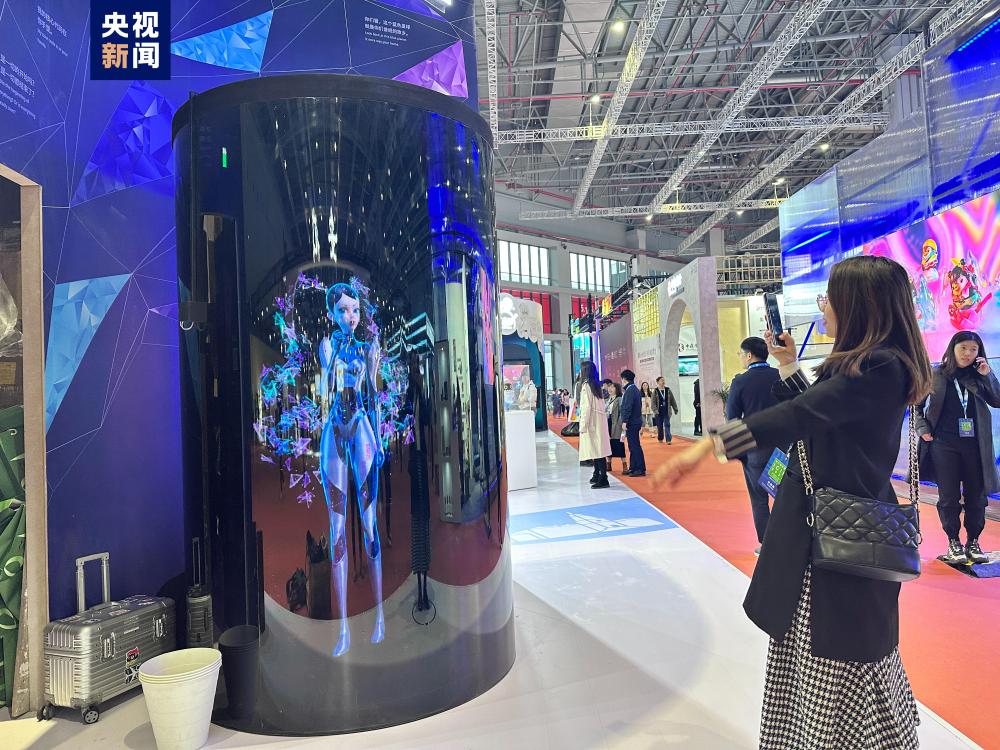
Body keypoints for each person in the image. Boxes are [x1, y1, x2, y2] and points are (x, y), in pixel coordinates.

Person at [651, 256, 931, 749]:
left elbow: (807, 413)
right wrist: (788, 366)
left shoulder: (880, 366)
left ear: (858, 305)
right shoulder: (871, 367)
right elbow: (825, 414)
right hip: (823, 540)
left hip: (838, 547)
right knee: (819, 658)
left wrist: (712, 444)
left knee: (838, 661)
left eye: (829, 297)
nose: (824, 306)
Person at [915, 330, 1000, 564]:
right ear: (952, 348)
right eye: (963, 348)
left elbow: (997, 400)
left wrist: (987, 375)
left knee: (977, 496)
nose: (967, 353)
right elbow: (916, 405)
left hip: (976, 446)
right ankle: (953, 541)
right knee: (949, 497)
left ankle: (973, 541)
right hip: (943, 445)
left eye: (973, 349)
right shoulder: (935, 374)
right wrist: (923, 428)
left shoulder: (980, 374)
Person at [726, 336, 781, 555]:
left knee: (759, 499)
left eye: (741, 354)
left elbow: (732, 418)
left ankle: (768, 545)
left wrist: (737, 452)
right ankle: (790, 540)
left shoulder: (740, 381)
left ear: (749, 355)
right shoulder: (779, 375)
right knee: (783, 495)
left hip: (754, 450)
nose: (740, 357)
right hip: (781, 447)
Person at [577, 361, 611, 488]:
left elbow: (586, 407)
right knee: (598, 449)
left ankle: (603, 478)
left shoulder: (586, 386)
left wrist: (583, 425)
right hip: (599, 420)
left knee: (596, 449)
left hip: (592, 421)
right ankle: (597, 474)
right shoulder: (596, 385)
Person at [620, 369, 646, 477]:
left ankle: (639, 468)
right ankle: (634, 467)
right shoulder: (634, 389)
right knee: (633, 445)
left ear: (624, 379)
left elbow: (628, 407)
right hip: (635, 421)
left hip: (632, 422)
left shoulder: (630, 390)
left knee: (634, 446)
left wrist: (625, 421)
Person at [606, 382, 628, 474]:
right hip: (608, 424)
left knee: (619, 445)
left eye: (612, 387)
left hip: (617, 425)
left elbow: (622, 413)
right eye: (609, 387)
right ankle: (608, 464)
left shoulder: (619, 399)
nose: (610, 389)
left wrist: (620, 424)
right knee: (608, 445)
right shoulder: (608, 400)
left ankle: (625, 466)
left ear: (617, 389)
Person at [652, 376, 679, 444]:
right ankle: (660, 438)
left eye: (664, 380)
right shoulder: (655, 391)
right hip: (658, 412)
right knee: (660, 426)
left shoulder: (668, 390)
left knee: (667, 425)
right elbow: (653, 403)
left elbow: (672, 400)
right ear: (658, 382)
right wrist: (655, 410)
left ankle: (668, 440)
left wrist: (675, 409)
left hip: (667, 411)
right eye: (661, 380)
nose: (663, 382)